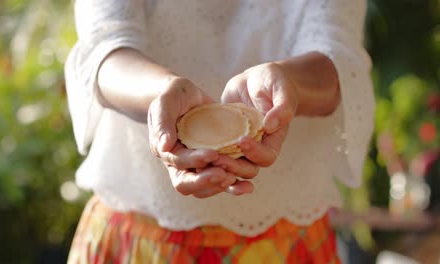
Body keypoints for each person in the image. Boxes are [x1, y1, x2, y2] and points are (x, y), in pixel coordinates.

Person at [65, 0, 375, 263]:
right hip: (139, 235)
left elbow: (337, 58)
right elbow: (104, 47)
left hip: (288, 240)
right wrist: (161, 92)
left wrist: (287, 84)